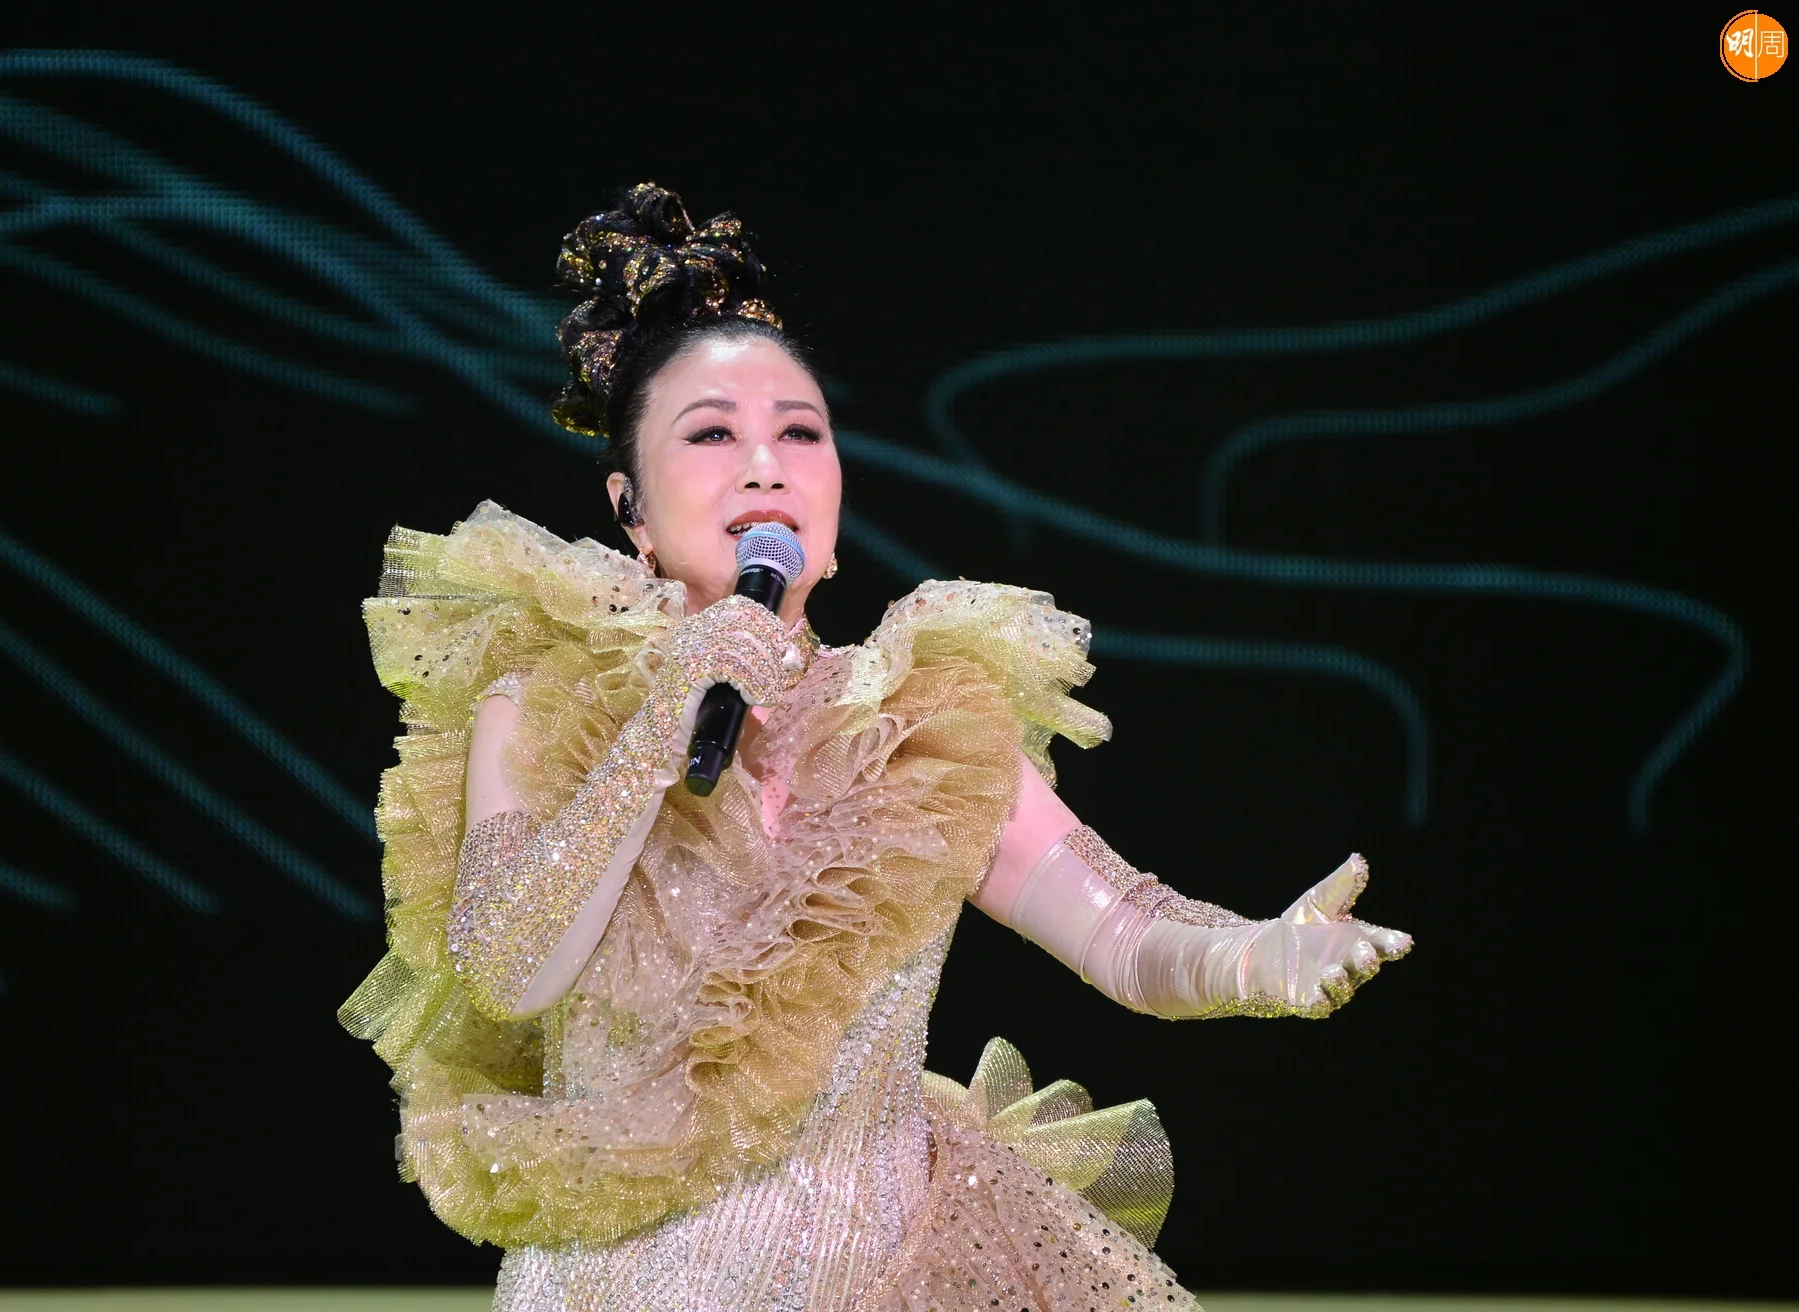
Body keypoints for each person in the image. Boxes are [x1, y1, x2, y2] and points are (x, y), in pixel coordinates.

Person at [338, 183, 1411, 1312]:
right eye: (712, 434)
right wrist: (658, 729)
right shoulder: (544, 704)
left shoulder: (921, 729)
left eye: (801, 432)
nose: (767, 465)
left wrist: (1256, 960)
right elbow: (508, 969)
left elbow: (1128, 935)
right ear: (631, 508)